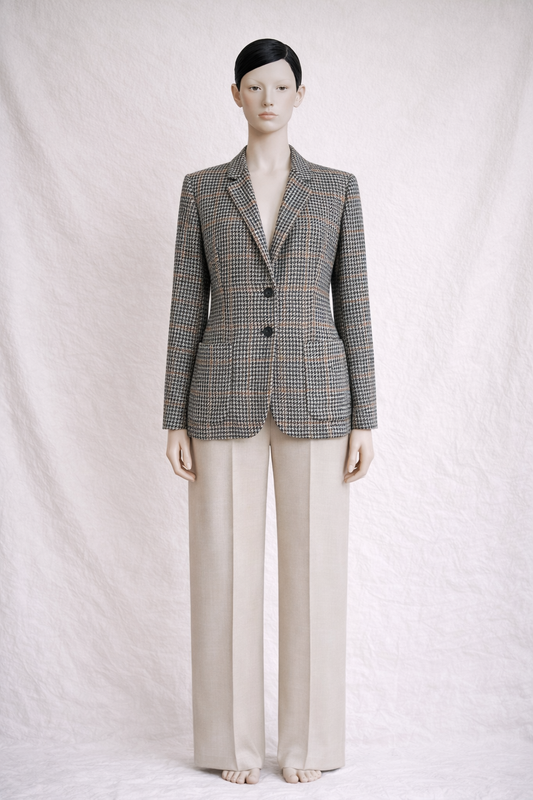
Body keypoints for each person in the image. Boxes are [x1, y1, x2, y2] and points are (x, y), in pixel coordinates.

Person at [163, 38, 377, 785]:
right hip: (221, 395)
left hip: (318, 396)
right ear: (235, 95)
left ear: (299, 95)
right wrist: (172, 415)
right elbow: (186, 306)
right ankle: (232, 749)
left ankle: (309, 746)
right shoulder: (202, 190)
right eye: (253, 86)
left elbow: (354, 305)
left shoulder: (336, 190)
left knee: (316, 576)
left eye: (280, 86)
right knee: (223, 572)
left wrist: (366, 416)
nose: (267, 98)